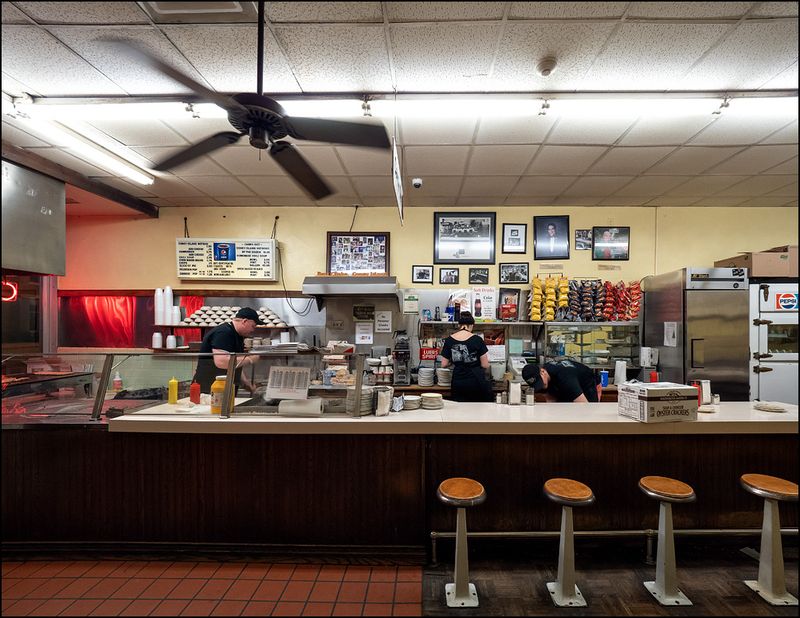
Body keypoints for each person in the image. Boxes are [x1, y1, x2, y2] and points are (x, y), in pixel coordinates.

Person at [192, 307, 263, 394]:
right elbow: (222, 362)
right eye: (253, 326)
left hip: (224, 388)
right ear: (244, 321)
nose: (253, 330)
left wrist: (245, 382)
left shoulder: (238, 336)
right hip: (209, 388)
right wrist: (250, 359)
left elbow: (235, 364)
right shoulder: (224, 333)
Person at [439, 311, 494, 402]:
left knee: (459, 410)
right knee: (475, 409)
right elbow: (485, 365)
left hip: (458, 380)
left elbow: (443, 364)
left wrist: (454, 361)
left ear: (459, 325)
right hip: (475, 380)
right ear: (471, 325)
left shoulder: (449, 340)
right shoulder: (477, 340)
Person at [522, 359, 602, 403]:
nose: (542, 385)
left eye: (540, 382)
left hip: (589, 387)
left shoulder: (565, 378)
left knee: (588, 417)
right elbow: (551, 400)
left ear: (542, 371)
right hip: (569, 387)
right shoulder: (547, 375)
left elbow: (583, 405)